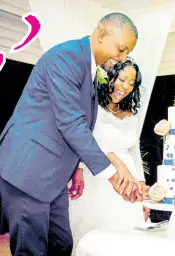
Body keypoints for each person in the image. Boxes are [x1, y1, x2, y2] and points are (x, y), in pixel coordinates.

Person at [0, 12, 147, 256]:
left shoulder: (88, 67)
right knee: (31, 249)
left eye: (126, 54)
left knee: (62, 244)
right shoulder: (66, 57)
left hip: (54, 176)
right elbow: (71, 124)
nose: (122, 58)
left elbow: (76, 126)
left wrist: (76, 167)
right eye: (121, 50)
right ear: (101, 34)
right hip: (29, 170)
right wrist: (113, 175)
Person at [69, 59, 150, 255]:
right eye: (122, 79)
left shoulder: (133, 114)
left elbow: (134, 150)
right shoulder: (94, 106)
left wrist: (142, 184)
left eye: (131, 83)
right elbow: (88, 140)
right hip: (98, 173)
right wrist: (78, 170)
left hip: (127, 179)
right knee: (95, 232)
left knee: (126, 236)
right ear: (111, 77)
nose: (125, 87)